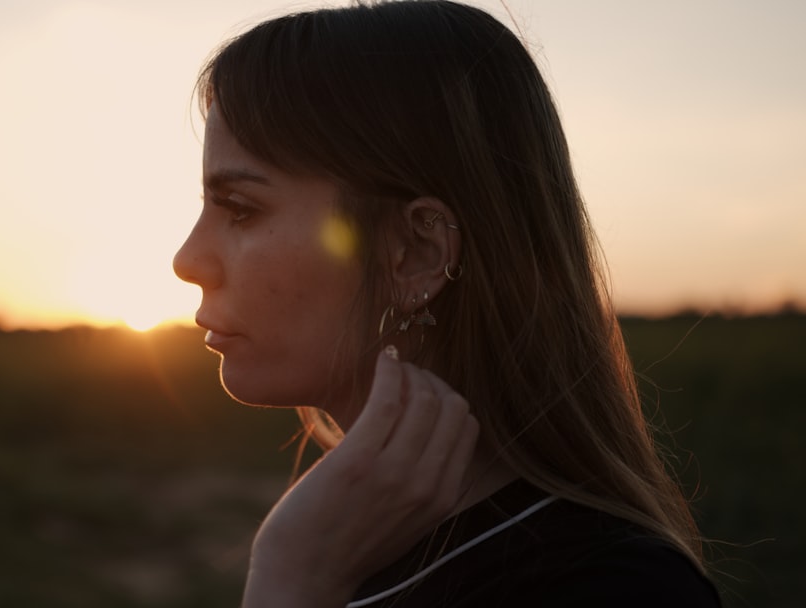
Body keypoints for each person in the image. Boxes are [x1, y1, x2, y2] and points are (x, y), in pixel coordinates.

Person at [172, 1, 722, 606]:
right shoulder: (358, 544)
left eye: (241, 209)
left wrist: (291, 581)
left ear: (417, 252)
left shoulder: (611, 591)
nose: (187, 259)